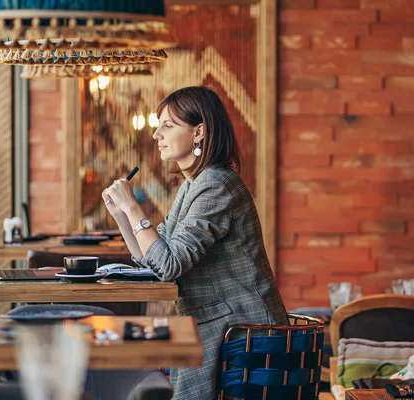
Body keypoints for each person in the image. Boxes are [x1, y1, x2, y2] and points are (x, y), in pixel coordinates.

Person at [102, 86, 287, 399]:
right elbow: (154, 261)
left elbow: (169, 266)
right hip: (216, 323)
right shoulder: (193, 185)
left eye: (168, 126)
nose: (157, 134)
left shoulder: (216, 184)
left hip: (246, 334)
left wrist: (136, 209)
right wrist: (122, 215)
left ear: (199, 132)